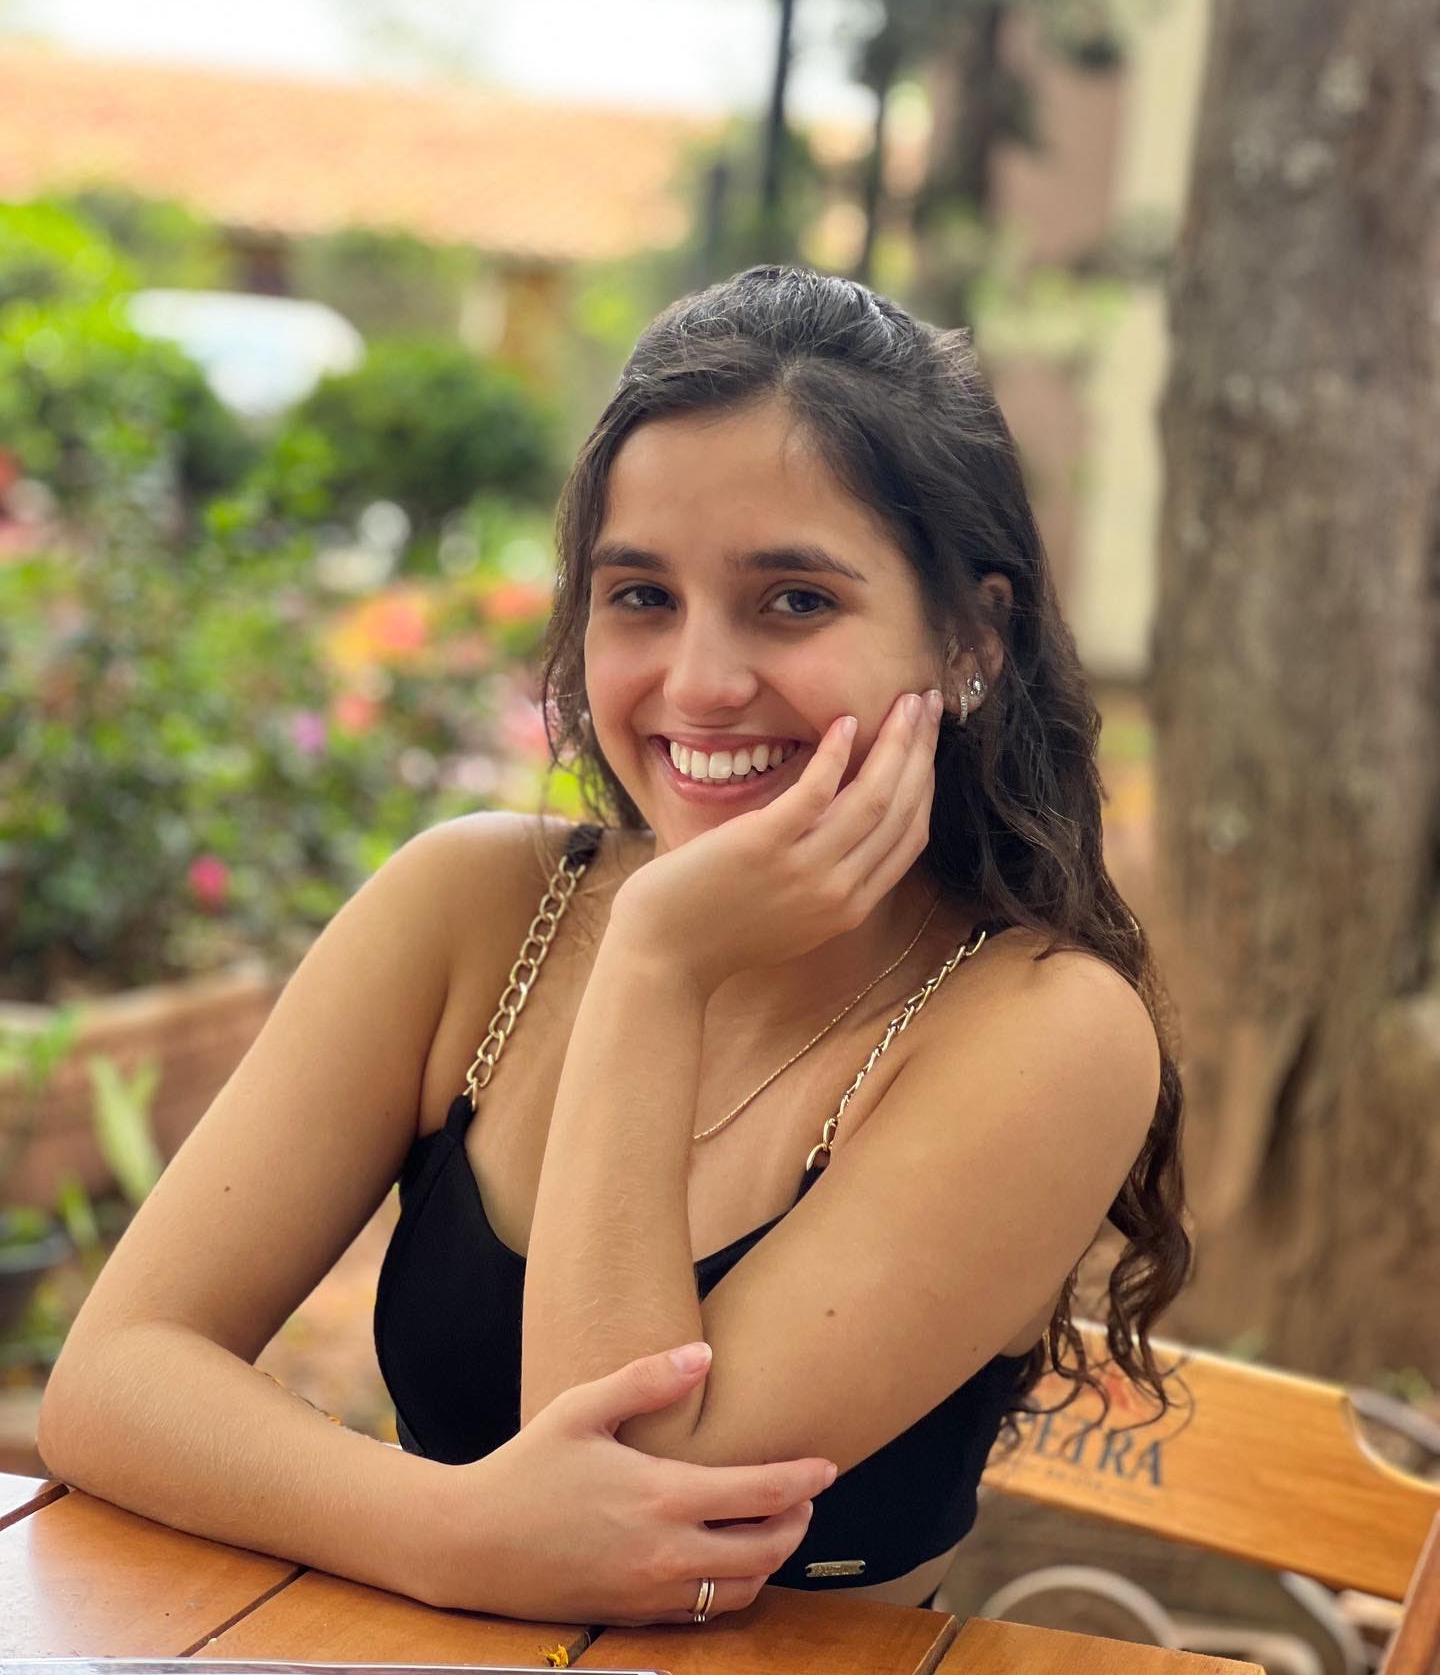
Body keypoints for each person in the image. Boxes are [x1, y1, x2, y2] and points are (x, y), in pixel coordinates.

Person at [38, 264, 1192, 1627]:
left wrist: (657, 963)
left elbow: (637, 1518)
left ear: (968, 641)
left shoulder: (1045, 1029)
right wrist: (449, 1532)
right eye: (640, 595)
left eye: (795, 601)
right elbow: (112, 1377)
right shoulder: (472, 910)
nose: (699, 682)